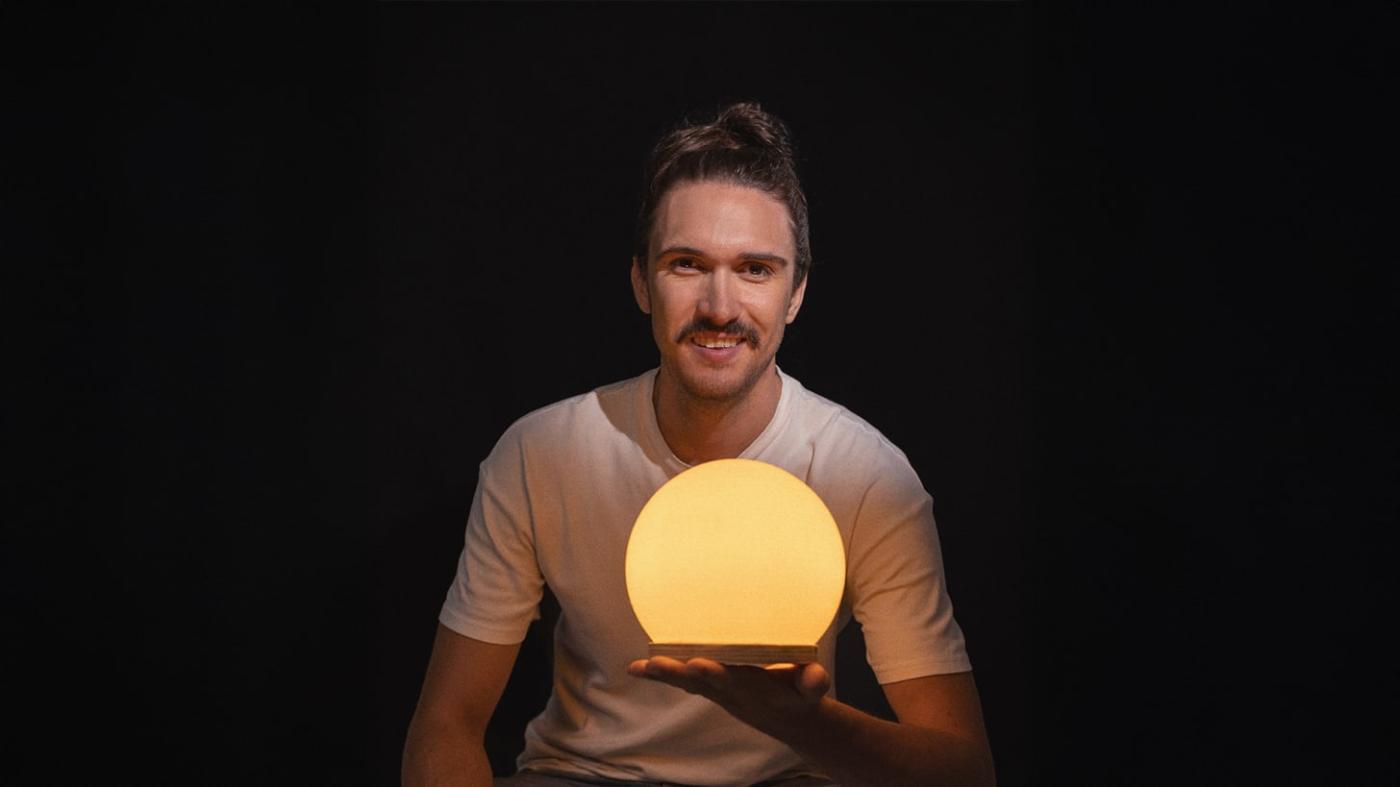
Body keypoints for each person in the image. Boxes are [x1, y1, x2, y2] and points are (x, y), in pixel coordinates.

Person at [402, 102, 995, 786]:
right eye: (687, 264)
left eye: (756, 269)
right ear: (641, 282)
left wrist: (799, 720)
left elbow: (964, 770)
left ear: (796, 293)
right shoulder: (541, 454)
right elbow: (446, 724)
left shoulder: (866, 476)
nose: (719, 306)